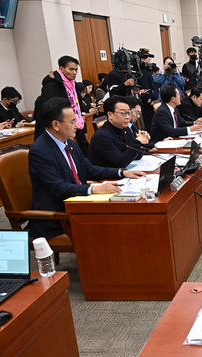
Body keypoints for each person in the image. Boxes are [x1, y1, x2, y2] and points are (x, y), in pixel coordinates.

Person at [28, 97, 146, 239]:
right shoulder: (40, 151)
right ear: (56, 125)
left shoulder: (69, 144)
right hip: (59, 215)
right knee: (117, 221)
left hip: (79, 203)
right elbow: (57, 188)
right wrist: (94, 189)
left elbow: (90, 169)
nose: (77, 126)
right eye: (72, 122)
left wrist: (122, 172)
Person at [34, 55, 90, 156]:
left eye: (76, 70)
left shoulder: (73, 85)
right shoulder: (52, 84)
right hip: (59, 127)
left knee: (84, 155)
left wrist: (83, 129)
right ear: (61, 68)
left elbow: (78, 108)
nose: (74, 72)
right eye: (71, 69)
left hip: (75, 125)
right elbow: (50, 109)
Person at [87, 96, 150, 168]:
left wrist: (143, 142)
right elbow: (120, 163)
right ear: (110, 115)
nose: (127, 117)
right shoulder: (102, 136)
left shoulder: (125, 129)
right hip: (106, 177)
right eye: (123, 113)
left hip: (120, 174)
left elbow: (136, 156)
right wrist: (137, 142)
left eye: (129, 113)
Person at [136, 50, 157, 130]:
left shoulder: (146, 70)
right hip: (147, 99)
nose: (149, 59)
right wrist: (148, 96)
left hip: (151, 96)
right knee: (149, 118)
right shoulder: (142, 71)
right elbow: (145, 84)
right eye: (147, 57)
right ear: (142, 59)